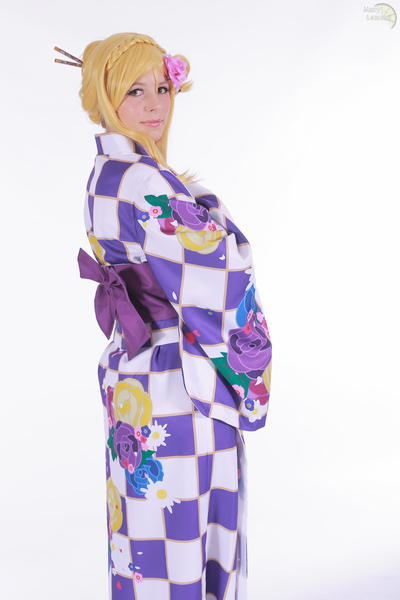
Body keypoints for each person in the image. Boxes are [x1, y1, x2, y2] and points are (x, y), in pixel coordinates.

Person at [54, 31, 272, 600]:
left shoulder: (105, 176)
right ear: (106, 98)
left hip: (132, 373)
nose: (155, 104)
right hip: (180, 383)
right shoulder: (145, 180)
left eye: (162, 88)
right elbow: (221, 275)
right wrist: (213, 216)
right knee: (189, 537)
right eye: (135, 91)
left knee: (144, 543)